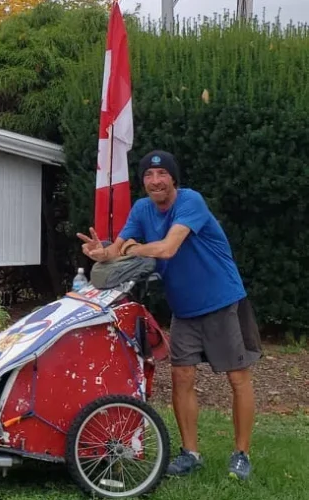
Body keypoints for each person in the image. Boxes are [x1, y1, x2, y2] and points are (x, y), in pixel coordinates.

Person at [77, 150, 261, 481]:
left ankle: (241, 454)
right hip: (185, 310)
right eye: (148, 175)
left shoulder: (190, 201)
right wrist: (101, 253)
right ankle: (190, 454)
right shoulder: (142, 209)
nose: (155, 181)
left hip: (223, 302)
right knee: (182, 378)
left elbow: (167, 248)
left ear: (173, 178)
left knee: (238, 379)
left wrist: (131, 249)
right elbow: (116, 249)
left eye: (162, 174)